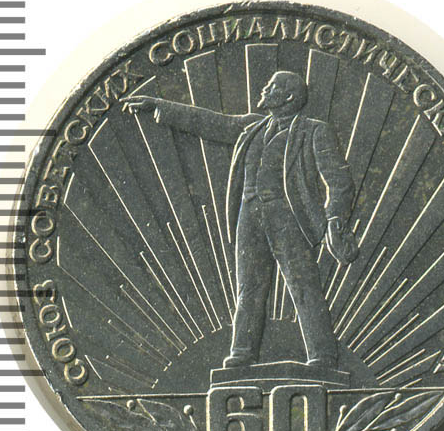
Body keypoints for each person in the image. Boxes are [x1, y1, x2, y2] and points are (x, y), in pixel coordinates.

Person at [125, 71, 358, 370]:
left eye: (271, 86)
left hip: (290, 219)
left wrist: (334, 217)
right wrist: (159, 105)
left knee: (303, 286)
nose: (264, 89)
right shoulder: (252, 127)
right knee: (248, 288)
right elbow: (208, 122)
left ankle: (322, 356)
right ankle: (243, 353)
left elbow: (339, 180)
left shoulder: (314, 131)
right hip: (249, 217)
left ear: (288, 96)